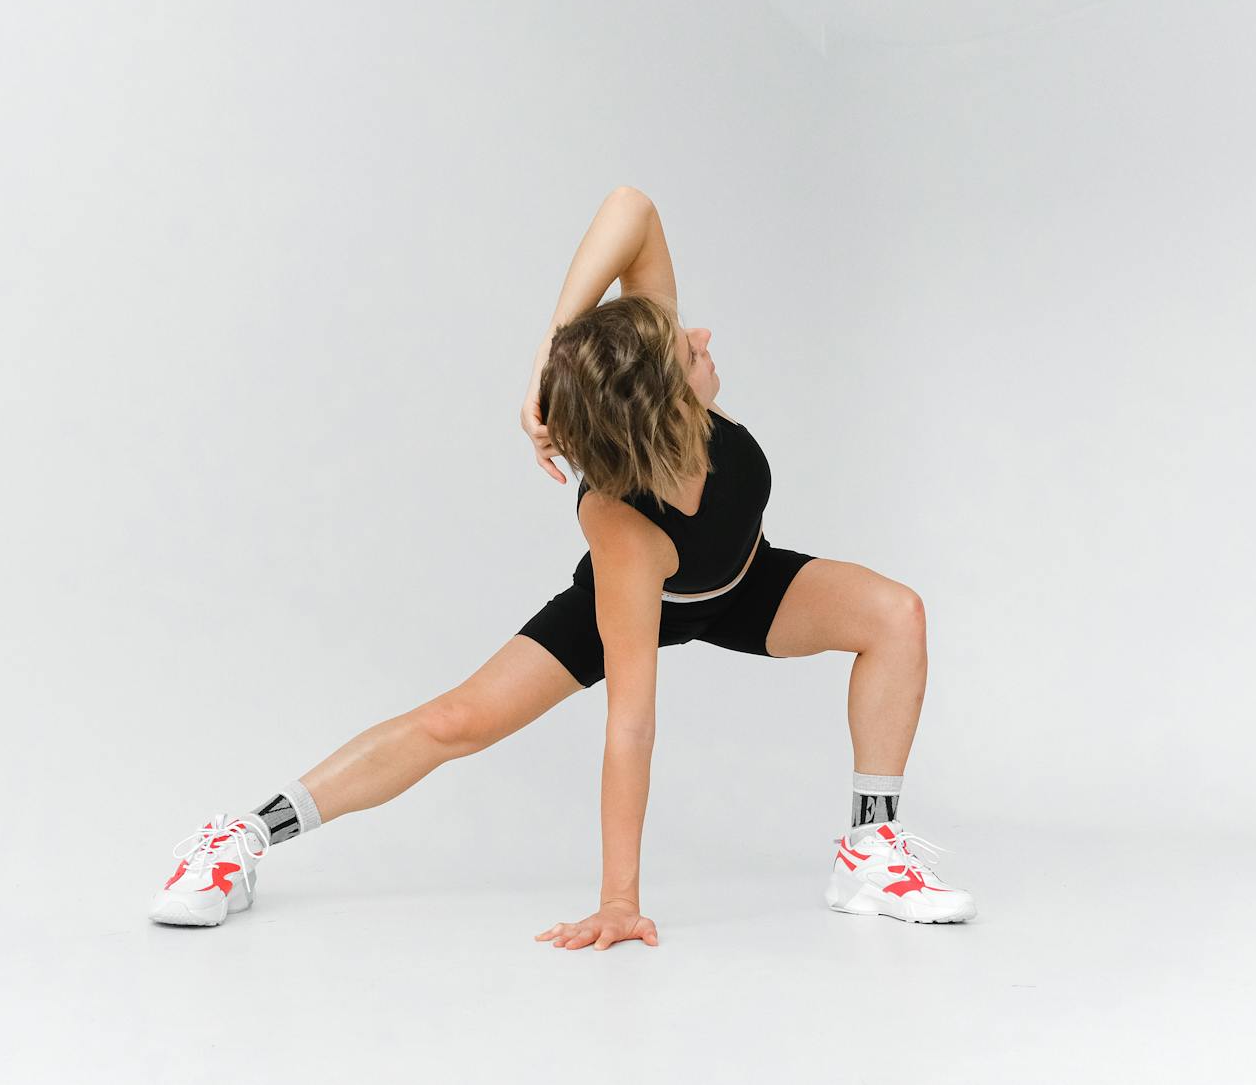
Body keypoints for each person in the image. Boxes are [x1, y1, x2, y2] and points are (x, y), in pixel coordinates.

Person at [149, 186, 976, 941]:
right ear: (662, 400)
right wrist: (621, 899)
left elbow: (632, 207)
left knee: (894, 614)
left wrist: (550, 358)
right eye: (690, 350)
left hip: (745, 582)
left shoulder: (642, 371)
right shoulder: (623, 529)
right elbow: (631, 725)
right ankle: (240, 836)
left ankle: (869, 853)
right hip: (639, 602)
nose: (703, 338)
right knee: (455, 722)